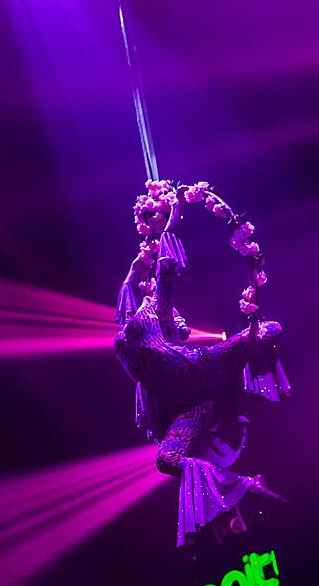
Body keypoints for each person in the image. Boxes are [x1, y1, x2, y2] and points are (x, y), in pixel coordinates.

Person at [115, 199, 288, 548]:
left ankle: (255, 369)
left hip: (200, 367)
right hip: (191, 404)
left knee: (269, 331)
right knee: (167, 460)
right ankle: (247, 487)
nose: (179, 321)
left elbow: (165, 268)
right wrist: (134, 270)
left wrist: (176, 212)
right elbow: (128, 295)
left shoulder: (158, 313)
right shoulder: (126, 332)